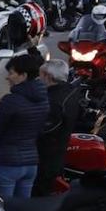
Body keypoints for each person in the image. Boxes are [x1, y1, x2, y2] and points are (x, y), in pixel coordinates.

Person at [0, 53, 49, 200]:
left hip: (7, 162)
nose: (8, 77)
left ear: (23, 75)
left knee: (2, 209)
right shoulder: (43, 99)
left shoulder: (11, 101)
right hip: (30, 163)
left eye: (11, 73)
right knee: (22, 209)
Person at [33, 59, 84, 196]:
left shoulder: (54, 101)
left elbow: (44, 130)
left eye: (41, 75)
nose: (38, 78)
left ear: (48, 77)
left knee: (38, 195)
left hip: (44, 159)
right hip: (57, 155)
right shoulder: (70, 91)